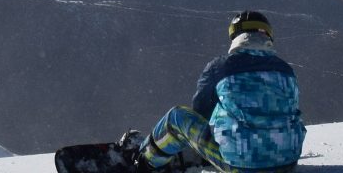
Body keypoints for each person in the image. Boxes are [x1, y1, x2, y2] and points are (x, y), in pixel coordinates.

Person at [127, 11, 304, 173]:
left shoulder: (220, 67)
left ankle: (143, 161)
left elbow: (200, 111)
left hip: (240, 166)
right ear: (268, 35)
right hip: (287, 164)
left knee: (176, 118)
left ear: (235, 35)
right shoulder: (286, 70)